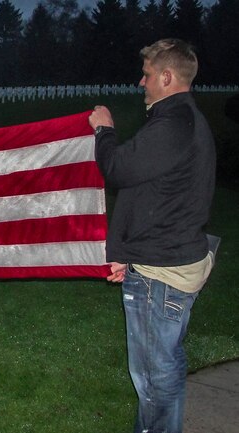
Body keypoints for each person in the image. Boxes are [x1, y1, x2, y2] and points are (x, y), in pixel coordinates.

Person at [88, 39, 216, 433]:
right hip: (169, 256)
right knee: (166, 370)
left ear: (166, 76)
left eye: (146, 75)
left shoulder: (173, 122)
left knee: (153, 380)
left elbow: (120, 169)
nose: (141, 81)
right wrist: (126, 252)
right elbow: (152, 196)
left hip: (162, 275)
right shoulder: (180, 120)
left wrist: (104, 131)